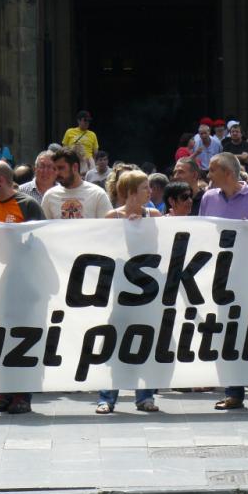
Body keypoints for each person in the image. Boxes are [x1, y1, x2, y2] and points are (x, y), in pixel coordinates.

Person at [199, 153, 248, 411]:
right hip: (222, 280)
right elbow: (202, 234)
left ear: (228, 173)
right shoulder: (208, 198)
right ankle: (233, 391)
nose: (208, 176)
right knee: (228, 335)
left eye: (212, 170)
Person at [0, 161, 45, 414]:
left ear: (0, 180)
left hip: (27, 283)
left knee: (23, 337)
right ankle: (5, 393)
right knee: (2, 337)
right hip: (2, 280)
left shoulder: (27, 205)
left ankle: (23, 395)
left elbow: (43, 242)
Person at [95, 170, 161, 414]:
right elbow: (105, 249)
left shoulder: (153, 214)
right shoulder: (112, 217)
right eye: (144, 187)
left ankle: (145, 396)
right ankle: (107, 398)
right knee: (115, 342)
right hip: (121, 289)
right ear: (132, 191)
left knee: (145, 341)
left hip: (146, 289)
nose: (149, 192)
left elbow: (161, 246)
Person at [41, 148, 111, 220]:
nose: (57, 173)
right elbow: (43, 228)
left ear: (75, 167)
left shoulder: (97, 194)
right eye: (55, 169)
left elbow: (108, 227)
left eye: (61, 168)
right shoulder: (49, 196)